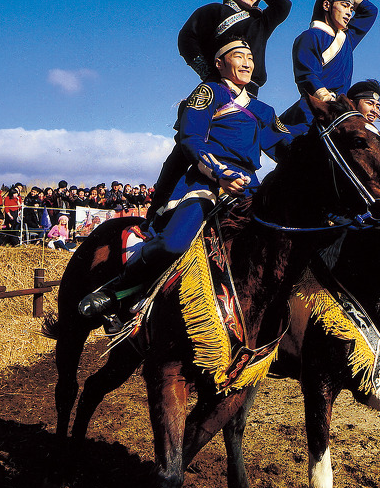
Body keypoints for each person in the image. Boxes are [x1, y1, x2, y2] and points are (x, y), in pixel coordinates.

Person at [81, 39, 291, 322]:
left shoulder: (262, 110)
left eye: (250, 57)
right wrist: (220, 173)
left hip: (248, 188)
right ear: (219, 63)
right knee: (175, 243)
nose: (246, 63)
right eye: (238, 56)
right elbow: (191, 138)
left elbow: (287, 149)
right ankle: (117, 288)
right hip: (207, 182)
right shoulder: (209, 92)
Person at [279, 0, 378, 136]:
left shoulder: (347, 39)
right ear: (326, 5)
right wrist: (327, 101)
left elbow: (370, 11)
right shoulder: (310, 36)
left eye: (351, 9)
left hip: (340, 113)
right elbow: (307, 75)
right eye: (344, 6)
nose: (349, 13)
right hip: (314, 111)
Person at [177, 0, 292, 93]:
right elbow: (186, 38)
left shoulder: (260, 22)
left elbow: (283, 5)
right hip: (220, 86)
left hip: (251, 92)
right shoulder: (214, 11)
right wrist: (207, 73)